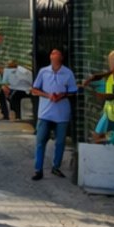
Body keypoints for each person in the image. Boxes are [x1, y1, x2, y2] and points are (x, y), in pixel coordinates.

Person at [31, 47, 76, 181]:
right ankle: (38, 169)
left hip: (61, 113)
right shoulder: (43, 71)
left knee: (60, 141)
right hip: (45, 112)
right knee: (40, 141)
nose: (54, 56)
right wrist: (47, 95)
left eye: (57, 54)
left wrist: (61, 95)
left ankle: (56, 166)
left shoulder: (68, 73)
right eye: (52, 53)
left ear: (61, 57)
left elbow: (73, 91)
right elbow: (34, 90)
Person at [0, 57, 34, 122]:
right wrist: (5, 87)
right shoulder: (7, 71)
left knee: (14, 96)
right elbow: (4, 83)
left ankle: (17, 115)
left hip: (25, 90)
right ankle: (5, 114)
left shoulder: (24, 71)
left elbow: (31, 82)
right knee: (2, 93)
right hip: (13, 89)